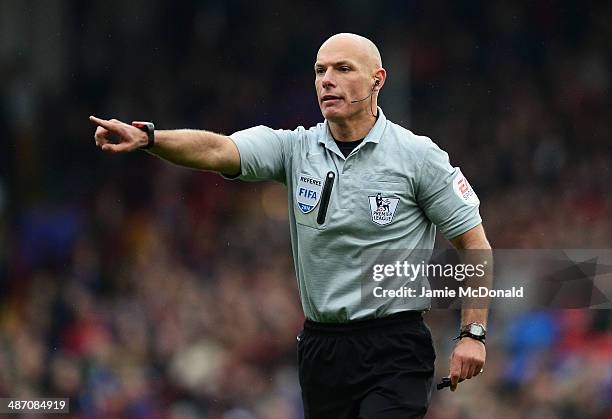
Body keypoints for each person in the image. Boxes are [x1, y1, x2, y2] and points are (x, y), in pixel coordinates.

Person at [90, 33, 490, 419]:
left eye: (343, 69)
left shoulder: (417, 156)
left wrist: (472, 333)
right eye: (320, 70)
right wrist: (150, 138)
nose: (327, 80)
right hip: (322, 347)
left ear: (377, 80)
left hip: (396, 346)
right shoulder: (295, 149)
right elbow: (218, 148)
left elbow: (474, 243)